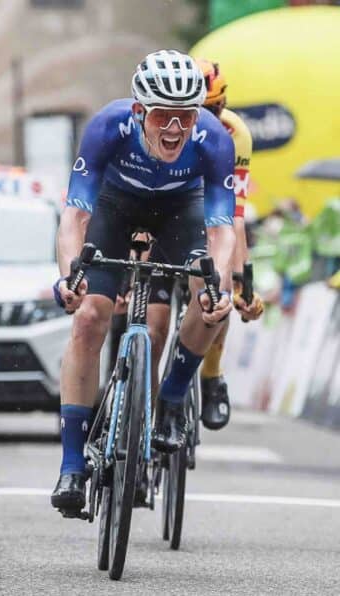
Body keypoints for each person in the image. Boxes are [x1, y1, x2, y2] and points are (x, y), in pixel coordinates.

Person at [50, 50, 235, 513]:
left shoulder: (213, 140)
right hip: (117, 206)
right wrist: (69, 276)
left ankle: (172, 395)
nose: (175, 130)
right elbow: (75, 213)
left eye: (185, 118)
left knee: (208, 299)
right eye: (162, 117)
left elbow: (221, 230)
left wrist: (220, 286)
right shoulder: (108, 127)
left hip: (181, 211)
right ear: (139, 112)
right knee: (90, 316)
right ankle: (72, 464)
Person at [145, 58, 264, 431]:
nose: (206, 121)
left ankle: (210, 376)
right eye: (198, 111)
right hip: (160, 215)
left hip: (206, 220)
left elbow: (235, 216)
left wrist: (246, 282)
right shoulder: (160, 126)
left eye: (213, 110)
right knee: (154, 329)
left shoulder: (234, 134)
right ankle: (136, 415)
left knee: (220, 289)